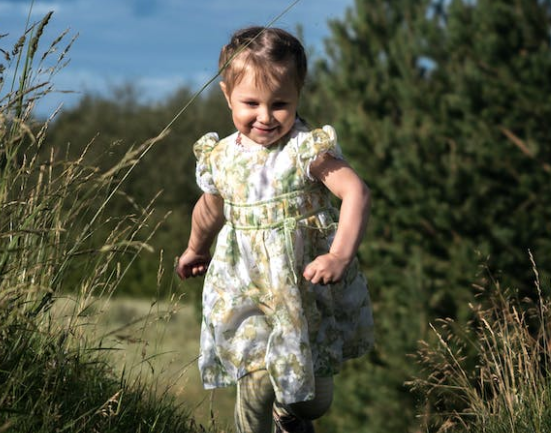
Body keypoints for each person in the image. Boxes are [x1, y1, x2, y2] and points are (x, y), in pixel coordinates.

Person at [176, 26, 374, 433]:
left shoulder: (305, 149)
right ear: (227, 96)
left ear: (298, 95)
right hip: (244, 286)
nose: (265, 116)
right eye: (251, 103)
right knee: (258, 376)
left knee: (314, 402)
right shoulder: (221, 158)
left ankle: (290, 417)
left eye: (280, 103)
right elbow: (211, 208)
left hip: (303, 292)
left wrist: (339, 254)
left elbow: (356, 192)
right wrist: (196, 248)